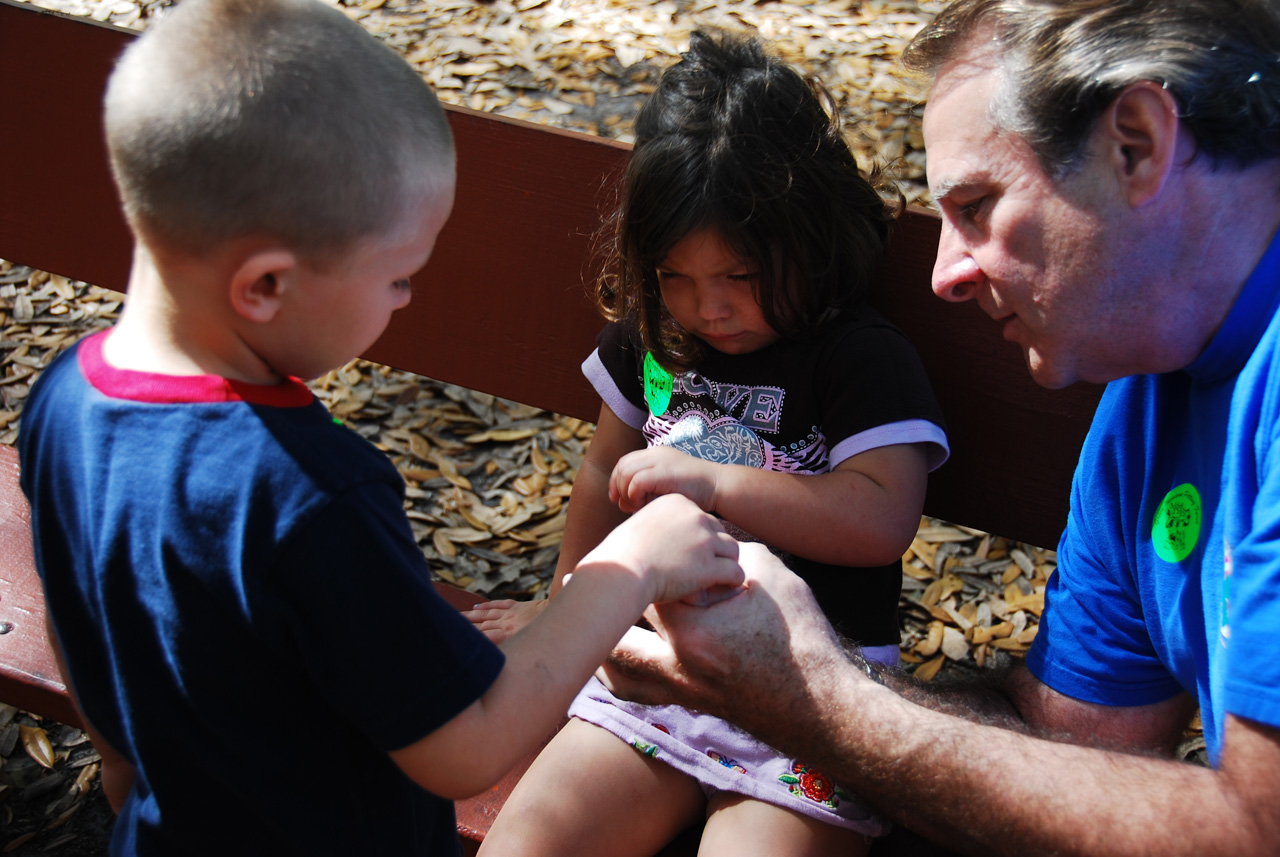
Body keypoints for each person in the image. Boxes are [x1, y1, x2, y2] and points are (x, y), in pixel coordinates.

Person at [15, 1, 745, 854]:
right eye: (399, 277)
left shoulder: (65, 399)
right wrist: (632, 562)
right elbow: (466, 741)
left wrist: (122, 761)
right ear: (264, 286)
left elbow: (81, 620)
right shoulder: (309, 492)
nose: (406, 301)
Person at [597, 1, 1280, 855]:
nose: (943, 273)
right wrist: (789, 683)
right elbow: (1074, 741)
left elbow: (1261, 827)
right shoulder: (1146, 406)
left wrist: (813, 690)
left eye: (979, 205)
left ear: (1135, 142)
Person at [467, 30, 949, 857]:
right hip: (652, 679)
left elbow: (880, 518)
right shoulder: (658, 343)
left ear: (808, 235)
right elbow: (600, 469)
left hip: (817, 703)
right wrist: (565, 613)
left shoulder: (858, 356)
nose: (708, 308)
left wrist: (714, 484)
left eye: (739, 277)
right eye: (677, 278)